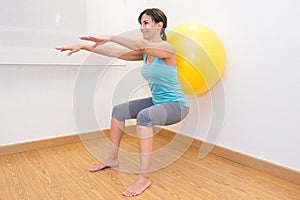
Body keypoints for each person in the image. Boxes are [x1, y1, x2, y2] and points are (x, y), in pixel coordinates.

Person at [56, 8, 189, 197]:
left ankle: (144, 177)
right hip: (157, 101)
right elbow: (114, 52)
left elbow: (141, 46)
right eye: (140, 23)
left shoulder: (168, 49)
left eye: (146, 23)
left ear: (159, 25)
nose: (142, 27)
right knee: (119, 111)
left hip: (177, 105)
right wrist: (84, 47)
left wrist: (111, 36)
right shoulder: (145, 54)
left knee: (144, 117)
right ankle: (112, 158)